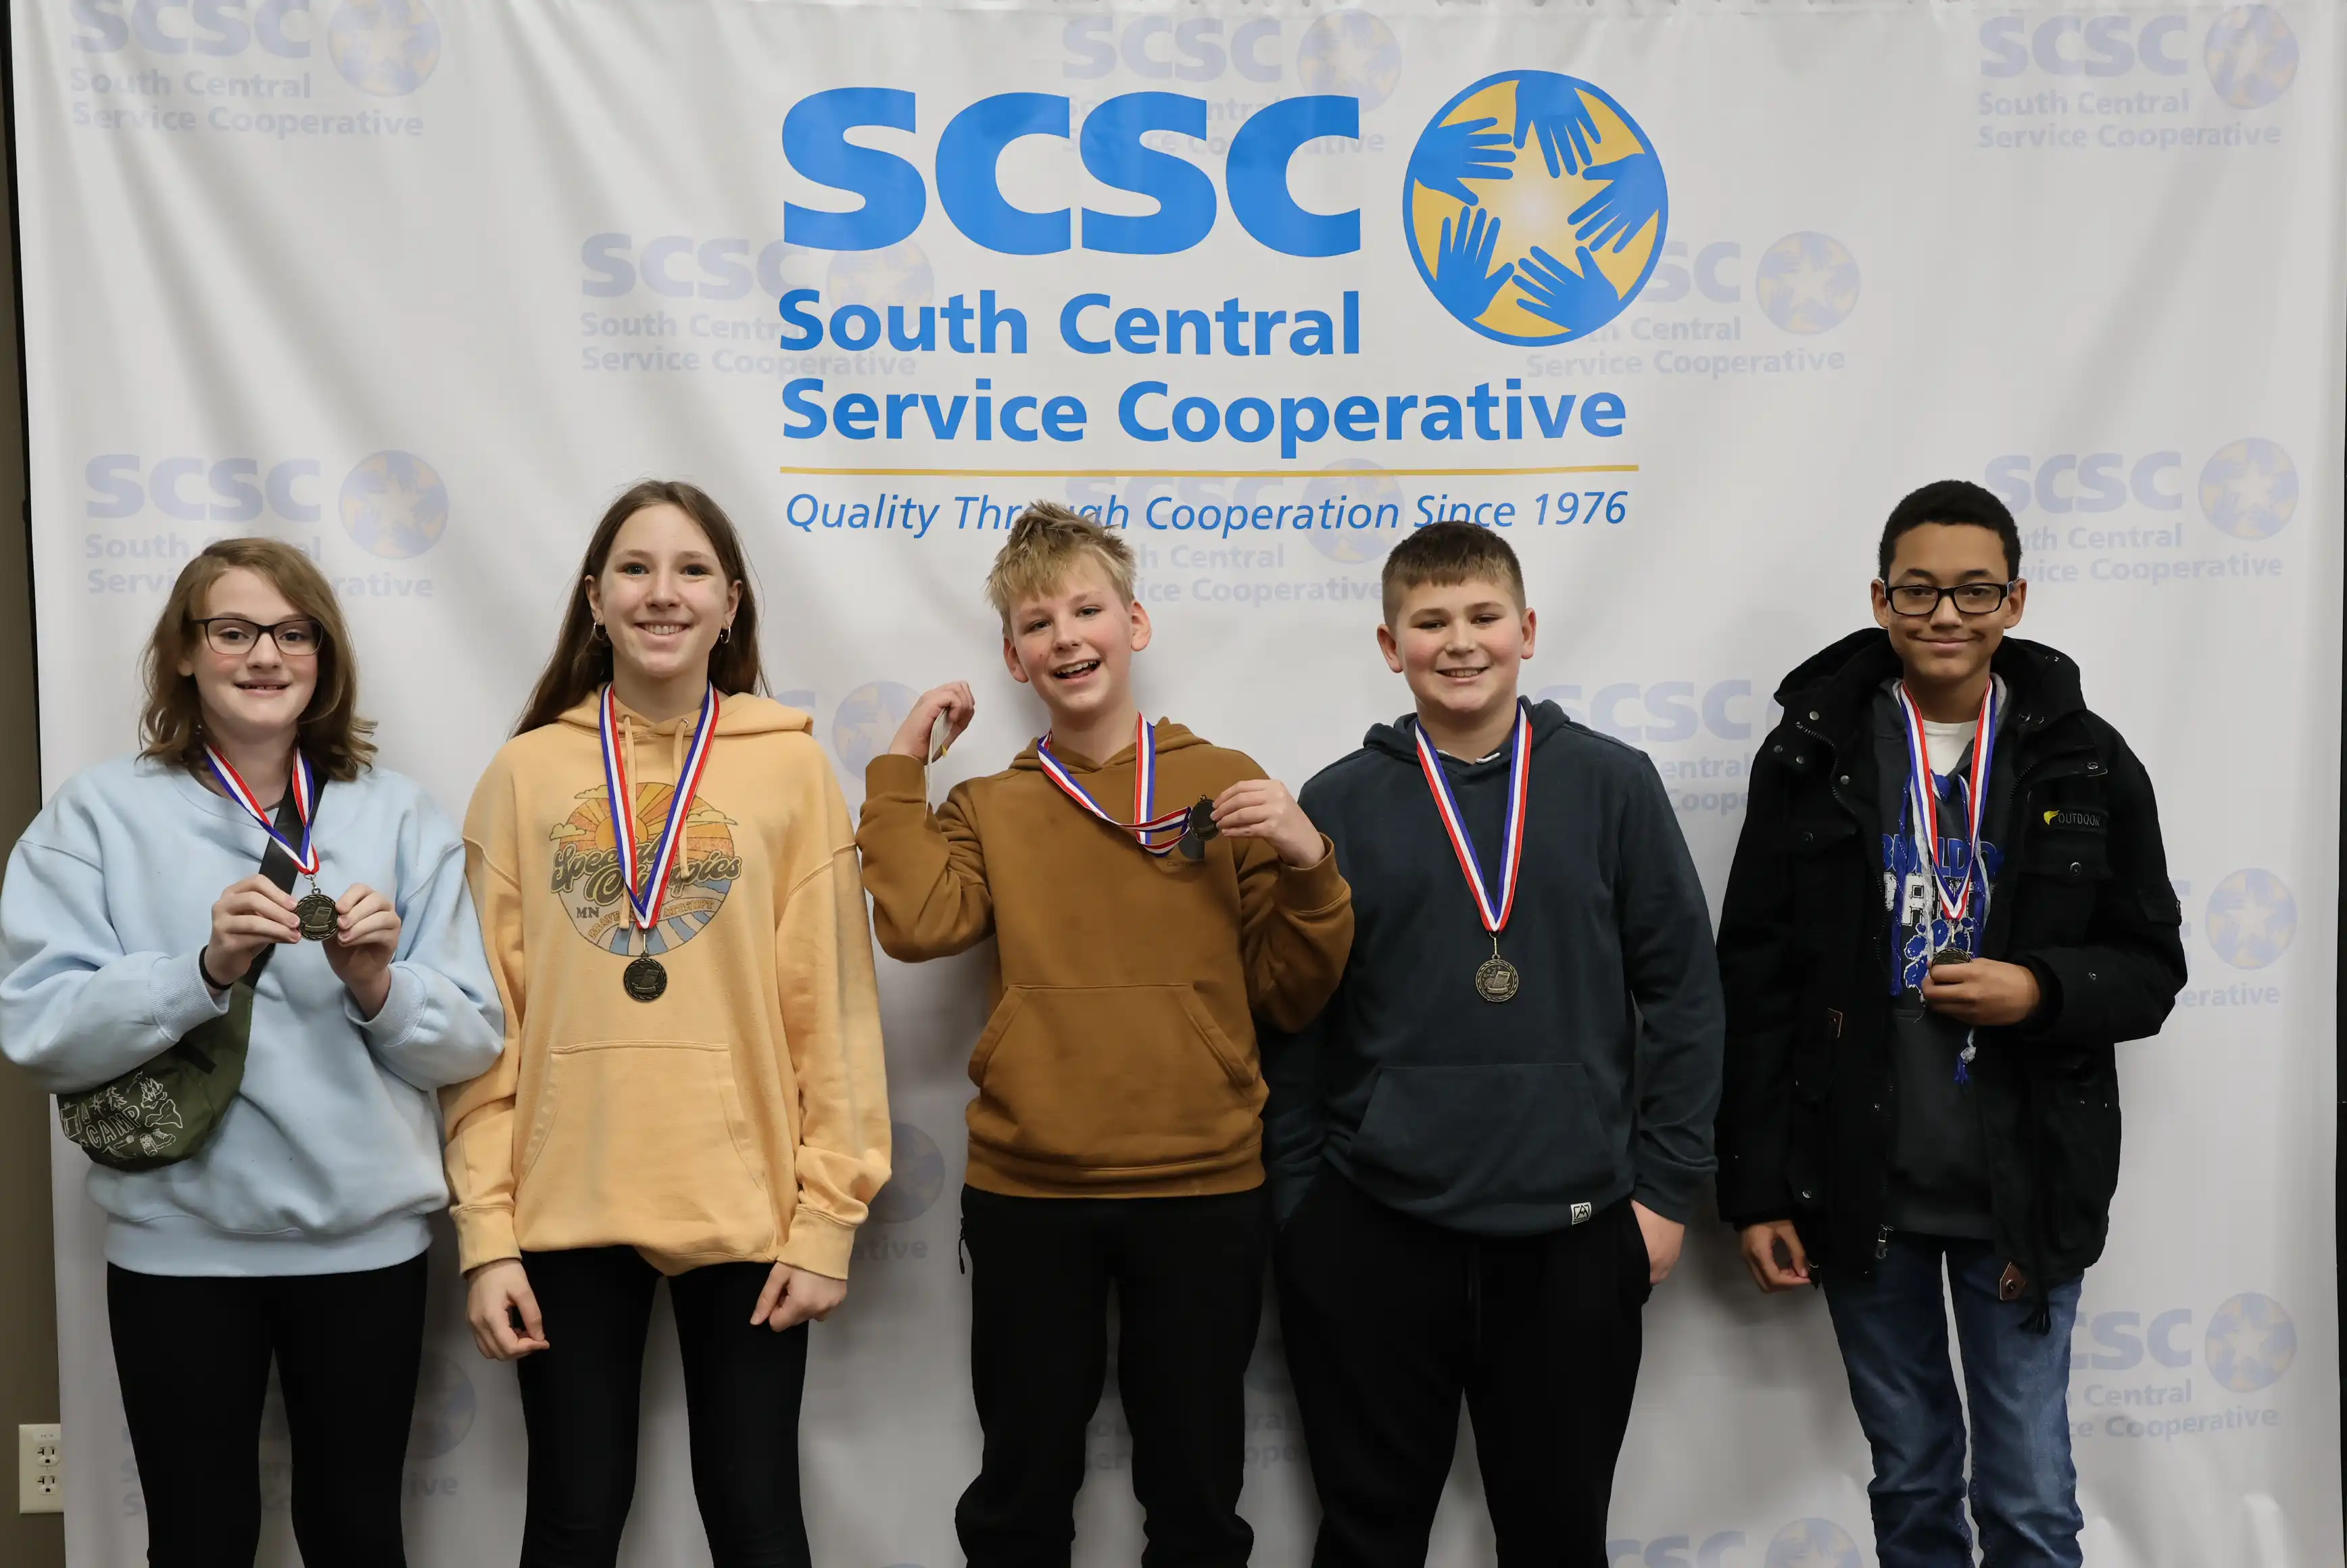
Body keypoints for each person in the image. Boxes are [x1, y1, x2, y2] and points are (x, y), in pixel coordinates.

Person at [857, 501, 1353, 1568]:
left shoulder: (1224, 781)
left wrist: (1315, 866)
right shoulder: (992, 802)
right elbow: (915, 922)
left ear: (1136, 625)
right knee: (1024, 1486)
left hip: (1206, 1186)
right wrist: (900, 768)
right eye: (1038, 624)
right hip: (1033, 1191)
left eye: (1088, 610)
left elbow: (1292, 993)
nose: (1066, 637)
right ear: (1013, 656)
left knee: (1197, 1489)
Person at [0, 538, 504, 1568]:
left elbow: (470, 1039)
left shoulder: (397, 813)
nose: (264, 655)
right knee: (198, 1540)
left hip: (365, 1248)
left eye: (291, 632)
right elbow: (38, 1029)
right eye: (233, 631)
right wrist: (202, 970)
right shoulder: (96, 815)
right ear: (185, 653)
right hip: (179, 1248)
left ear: (324, 655)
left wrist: (378, 985)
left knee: (359, 1536)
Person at [1714, 480, 2186, 1568]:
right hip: (1861, 1179)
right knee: (1915, 1478)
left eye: (1974, 591)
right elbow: (1757, 979)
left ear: (2015, 600)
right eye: (1919, 589)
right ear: (1881, 598)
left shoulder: (2087, 758)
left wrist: (2044, 992)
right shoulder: (1810, 756)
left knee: (2027, 1497)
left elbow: (2153, 967)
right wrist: (1757, 1189)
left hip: (2023, 1183)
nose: (1945, 615)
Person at [1260, 520, 1724, 1567]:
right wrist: (1304, 1211)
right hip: (1374, 1227)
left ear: (1526, 629)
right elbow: (1299, 1016)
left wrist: (1663, 1194)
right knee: (1370, 1538)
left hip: (1572, 1232)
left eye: (1481, 617)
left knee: (1557, 1541)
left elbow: (1686, 998)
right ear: (1391, 646)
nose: (1458, 642)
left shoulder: (1613, 784)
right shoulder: (1339, 798)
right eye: (1429, 622)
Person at [444, 480, 890, 1568]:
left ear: (731, 604)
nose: (663, 594)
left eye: (691, 571)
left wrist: (830, 1220)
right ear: (594, 599)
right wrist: (485, 1234)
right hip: (565, 1202)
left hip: (747, 1207)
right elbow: (484, 1027)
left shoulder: (790, 766)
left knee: (757, 1522)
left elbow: (830, 1012)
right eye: (635, 570)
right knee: (573, 1521)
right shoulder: (524, 773)